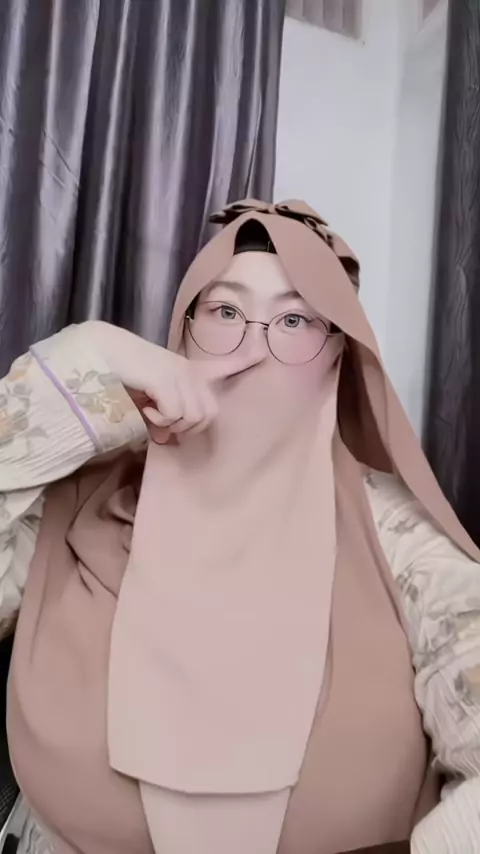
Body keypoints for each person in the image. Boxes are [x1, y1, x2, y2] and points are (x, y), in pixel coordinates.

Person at [0, 199, 479, 854]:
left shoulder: (395, 535)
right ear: (183, 330)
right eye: (225, 312)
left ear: (338, 353)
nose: (253, 350)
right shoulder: (81, 497)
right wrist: (81, 360)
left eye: (294, 319)